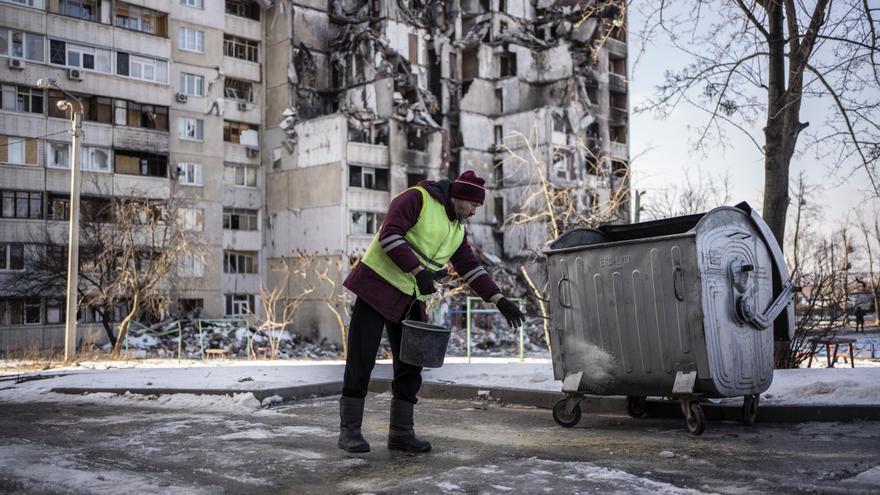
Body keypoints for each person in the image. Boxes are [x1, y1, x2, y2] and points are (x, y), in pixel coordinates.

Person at [338, 170, 526, 454]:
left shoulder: (457, 228)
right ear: (459, 196)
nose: (475, 211)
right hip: (376, 286)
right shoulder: (417, 198)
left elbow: (470, 267)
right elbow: (389, 236)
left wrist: (499, 299)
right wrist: (418, 270)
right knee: (362, 360)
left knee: (412, 366)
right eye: (474, 205)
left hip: (411, 297)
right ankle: (349, 432)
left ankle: (401, 433)